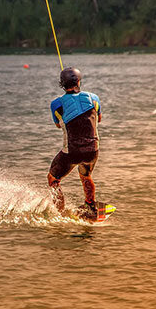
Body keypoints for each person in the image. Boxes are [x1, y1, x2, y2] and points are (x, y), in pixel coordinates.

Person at [47, 66, 102, 215]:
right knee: (85, 175)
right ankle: (90, 206)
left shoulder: (56, 104)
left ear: (62, 84)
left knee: (53, 179)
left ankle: (59, 212)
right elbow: (99, 119)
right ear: (78, 81)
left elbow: (58, 125)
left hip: (71, 152)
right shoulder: (94, 98)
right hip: (92, 150)